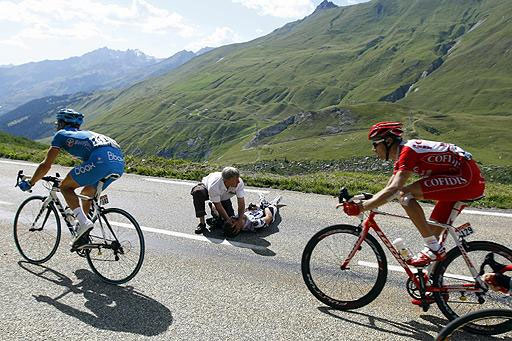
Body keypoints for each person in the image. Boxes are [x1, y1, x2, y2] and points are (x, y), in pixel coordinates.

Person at [343, 121, 485, 268]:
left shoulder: (408, 152)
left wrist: (362, 207)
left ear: (388, 141)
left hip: (467, 180)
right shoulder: (403, 154)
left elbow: (394, 190)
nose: (373, 149)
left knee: (404, 195)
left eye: (375, 144)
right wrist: (368, 200)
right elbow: (389, 187)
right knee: (432, 231)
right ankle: (432, 282)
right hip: (462, 178)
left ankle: (434, 250)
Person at [18, 108, 125, 247]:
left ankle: (84, 223)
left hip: (101, 160)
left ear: (62, 123)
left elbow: (45, 165)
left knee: (65, 186)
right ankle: (82, 231)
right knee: (87, 193)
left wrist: (31, 182)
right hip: (118, 163)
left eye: (58, 123)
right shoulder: (84, 135)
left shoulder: (61, 135)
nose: (57, 125)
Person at [190, 167, 245, 235]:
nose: (238, 181)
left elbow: (241, 204)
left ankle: (215, 214)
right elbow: (218, 205)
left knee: (230, 221)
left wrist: (239, 221)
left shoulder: (239, 183)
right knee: (198, 192)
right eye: (235, 180)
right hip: (207, 190)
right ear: (226, 180)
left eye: (238, 178)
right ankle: (202, 223)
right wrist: (227, 219)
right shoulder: (214, 185)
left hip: (223, 196)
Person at [211, 194, 282, 237]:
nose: (232, 218)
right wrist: (266, 207)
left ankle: (262, 200)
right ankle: (273, 203)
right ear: (237, 229)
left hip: (256, 211)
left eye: (230, 219)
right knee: (272, 206)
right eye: (232, 222)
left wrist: (250, 208)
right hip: (267, 213)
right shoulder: (255, 224)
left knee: (256, 205)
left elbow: (246, 211)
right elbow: (269, 217)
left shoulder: (237, 218)